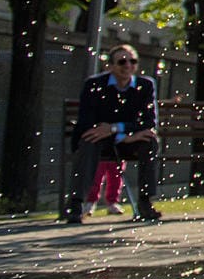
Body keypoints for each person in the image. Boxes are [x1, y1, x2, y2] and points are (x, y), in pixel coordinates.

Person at [66, 44, 161, 224]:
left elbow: (149, 122)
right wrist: (119, 133)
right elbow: (87, 121)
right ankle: (76, 204)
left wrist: (117, 130)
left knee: (150, 141)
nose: (128, 66)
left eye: (132, 61)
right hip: (101, 140)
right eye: (122, 61)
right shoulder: (94, 85)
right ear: (109, 66)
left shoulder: (145, 85)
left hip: (128, 139)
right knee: (88, 140)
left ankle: (146, 202)